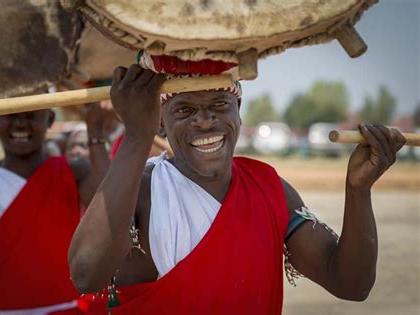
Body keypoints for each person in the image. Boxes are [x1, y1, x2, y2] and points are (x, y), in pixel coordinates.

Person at [68, 62, 406, 314]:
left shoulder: (270, 188)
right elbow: (86, 274)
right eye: (184, 109)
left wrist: (358, 191)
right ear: (160, 122)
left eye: (219, 104)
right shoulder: (142, 190)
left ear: (239, 112)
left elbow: (351, 284)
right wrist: (137, 137)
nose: (204, 120)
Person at [0, 103, 110, 313]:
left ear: (49, 119)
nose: (21, 123)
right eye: (10, 114)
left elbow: (111, 214)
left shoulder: (76, 171)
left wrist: (95, 131)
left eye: (31, 114)